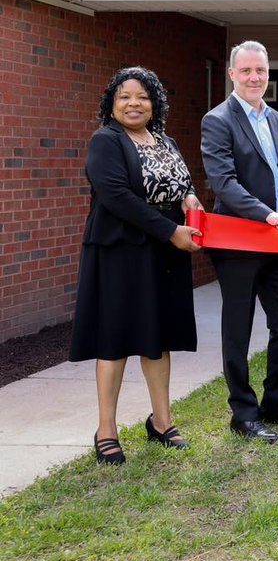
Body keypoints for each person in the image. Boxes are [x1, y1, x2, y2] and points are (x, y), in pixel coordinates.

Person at [71, 67, 204, 464]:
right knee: (114, 339)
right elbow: (116, 196)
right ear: (112, 103)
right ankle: (106, 429)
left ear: (154, 103)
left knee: (156, 336)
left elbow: (179, 182)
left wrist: (190, 199)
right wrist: (170, 231)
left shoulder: (164, 140)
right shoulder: (105, 141)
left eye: (142, 96)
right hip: (120, 251)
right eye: (125, 96)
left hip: (161, 252)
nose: (134, 103)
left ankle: (162, 421)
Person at [202, 41, 278, 444]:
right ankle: (243, 414)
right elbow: (224, 184)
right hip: (239, 242)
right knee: (238, 327)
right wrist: (268, 215)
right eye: (247, 71)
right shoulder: (217, 120)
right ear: (232, 74)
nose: (254, 78)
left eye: (261, 71)